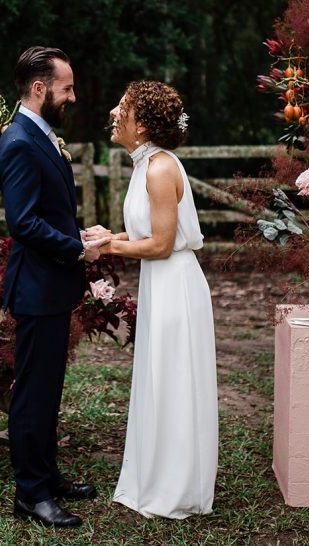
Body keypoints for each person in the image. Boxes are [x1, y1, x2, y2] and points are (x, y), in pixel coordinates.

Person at [84, 81, 219, 519]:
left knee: (174, 382)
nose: (112, 112)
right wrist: (113, 235)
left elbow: (162, 245)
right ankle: (155, 476)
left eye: (121, 107)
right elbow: (147, 233)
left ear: (140, 124)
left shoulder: (160, 169)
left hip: (175, 286)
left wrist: (107, 249)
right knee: (159, 381)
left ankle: (175, 488)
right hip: (159, 283)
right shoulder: (145, 164)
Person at [0, 46, 108, 528]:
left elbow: (48, 213)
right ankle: (30, 493)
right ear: (39, 89)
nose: (73, 97)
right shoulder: (19, 141)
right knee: (32, 395)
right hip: (37, 288)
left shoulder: (42, 135)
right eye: (67, 88)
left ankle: (48, 475)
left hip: (52, 285)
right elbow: (22, 223)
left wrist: (75, 234)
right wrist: (78, 250)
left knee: (48, 390)